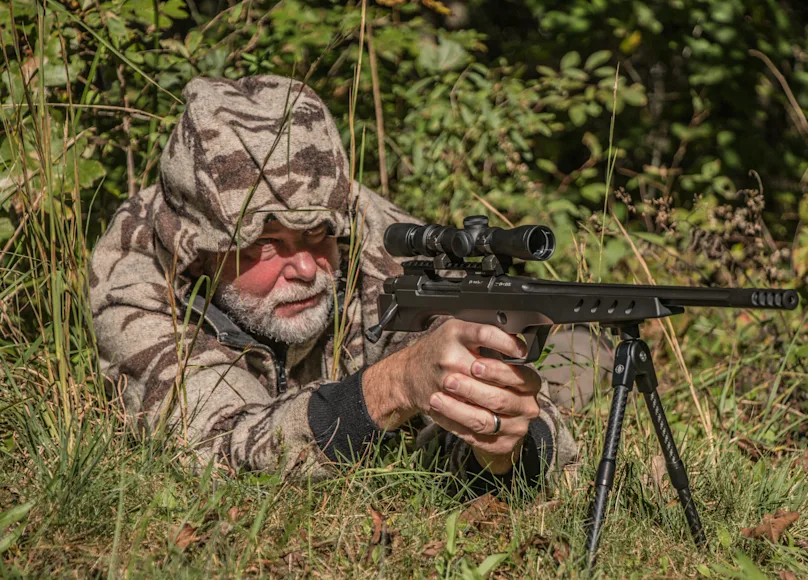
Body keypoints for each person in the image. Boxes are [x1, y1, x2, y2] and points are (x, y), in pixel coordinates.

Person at [90, 75, 612, 492]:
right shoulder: (135, 269)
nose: (306, 267)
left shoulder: (371, 231)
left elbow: (475, 410)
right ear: (200, 245)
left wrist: (501, 444)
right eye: (267, 243)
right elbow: (216, 450)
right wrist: (397, 384)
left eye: (318, 234)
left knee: (582, 361)